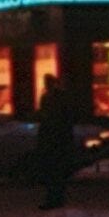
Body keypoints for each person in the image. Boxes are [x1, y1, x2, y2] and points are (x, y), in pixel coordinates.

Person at [36, 74, 73, 209]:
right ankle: (56, 199)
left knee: (54, 171)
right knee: (56, 172)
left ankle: (54, 199)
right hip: (55, 139)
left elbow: (49, 117)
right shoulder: (56, 96)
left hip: (55, 139)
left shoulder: (51, 97)